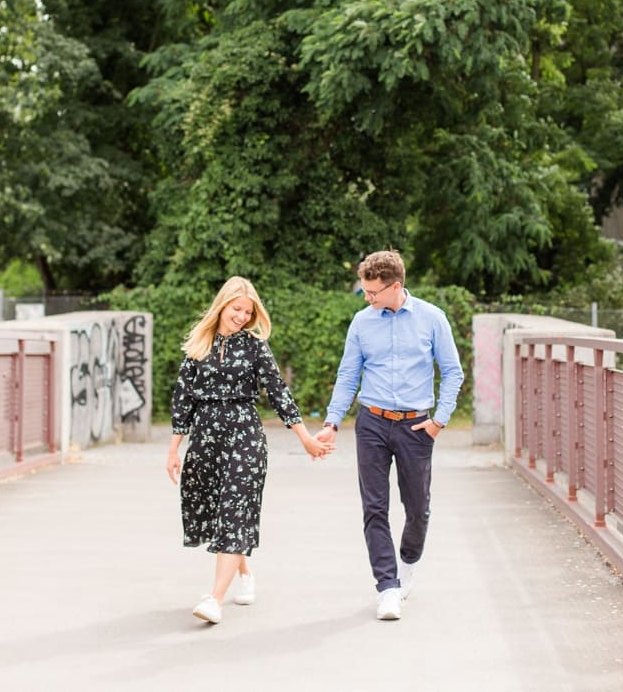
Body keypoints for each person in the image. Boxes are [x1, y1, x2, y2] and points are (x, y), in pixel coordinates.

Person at [166, 275, 332, 625]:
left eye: (248, 311)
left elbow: (278, 393)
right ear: (222, 305)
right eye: (237, 309)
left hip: (245, 434)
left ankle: (214, 598)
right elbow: (183, 398)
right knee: (218, 511)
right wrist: (173, 449)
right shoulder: (198, 345)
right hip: (206, 438)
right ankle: (245, 574)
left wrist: (305, 438)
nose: (242, 316)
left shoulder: (255, 347)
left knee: (236, 508)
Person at [316, 249, 464, 621]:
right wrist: (333, 422)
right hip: (372, 423)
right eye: (365, 292)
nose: (368, 299)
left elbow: (452, 372)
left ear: (395, 286)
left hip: (417, 427)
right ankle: (387, 586)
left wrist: (438, 422)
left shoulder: (432, 318)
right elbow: (348, 375)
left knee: (417, 508)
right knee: (374, 508)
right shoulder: (362, 323)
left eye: (373, 293)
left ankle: (408, 562)